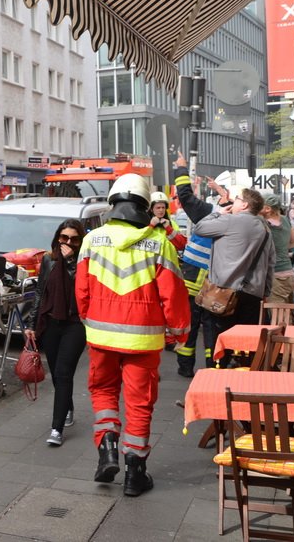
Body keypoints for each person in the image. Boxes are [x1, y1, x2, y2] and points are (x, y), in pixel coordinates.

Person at [76, 173, 189, 497]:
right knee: (139, 405)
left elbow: (81, 292)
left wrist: (91, 319)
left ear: (113, 203)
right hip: (144, 341)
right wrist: (179, 334)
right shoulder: (161, 244)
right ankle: (134, 473)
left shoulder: (91, 240)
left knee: (103, 392)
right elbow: (174, 295)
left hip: (101, 337)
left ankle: (107, 448)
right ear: (144, 205)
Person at [23, 219, 87, 448]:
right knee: (58, 373)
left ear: (80, 241)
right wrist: (31, 323)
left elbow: (82, 286)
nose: (68, 242)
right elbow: (40, 292)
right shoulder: (49, 260)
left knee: (63, 372)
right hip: (50, 322)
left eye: (74, 239)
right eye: (64, 238)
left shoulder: (83, 261)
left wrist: (70, 260)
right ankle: (67, 405)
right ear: (57, 238)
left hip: (76, 323)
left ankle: (56, 428)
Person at [193, 188, 275, 348]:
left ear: (244, 204)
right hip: (253, 295)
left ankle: (219, 371)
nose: (234, 201)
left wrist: (218, 213)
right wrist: (265, 292)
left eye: (237, 198)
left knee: (220, 343)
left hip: (224, 293)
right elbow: (271, 264)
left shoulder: (230, 220)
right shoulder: (266, 229)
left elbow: (200, 228)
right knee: (245, 346)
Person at [171, 155, 228, 377]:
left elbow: (184, 195)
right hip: (216, 285)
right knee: (211, 327)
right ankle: (213, 367)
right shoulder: (238, 220)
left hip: (193, 278)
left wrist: (181, 169)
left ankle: (185, 368)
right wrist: (221, 190)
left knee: (190, 325)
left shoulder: (209, 214)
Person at [261, 192, 294, 305]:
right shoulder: (285, 220)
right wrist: (281, 249)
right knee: (288, 310)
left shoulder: (263, 222)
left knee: (277, 315)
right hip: (288, 272)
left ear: (267, 208)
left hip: (274, 275)